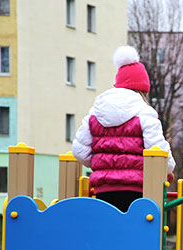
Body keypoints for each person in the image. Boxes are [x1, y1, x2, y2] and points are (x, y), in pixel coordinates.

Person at [72, 45, 175, 212]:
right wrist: (168, 169)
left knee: (109, 232)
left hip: (103, 190)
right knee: (134, 232)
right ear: (142, 90)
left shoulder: (96, 112)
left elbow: (79, 150)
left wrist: (103, 164)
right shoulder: (145, 114)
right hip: (136, 190)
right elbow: (158, 150)